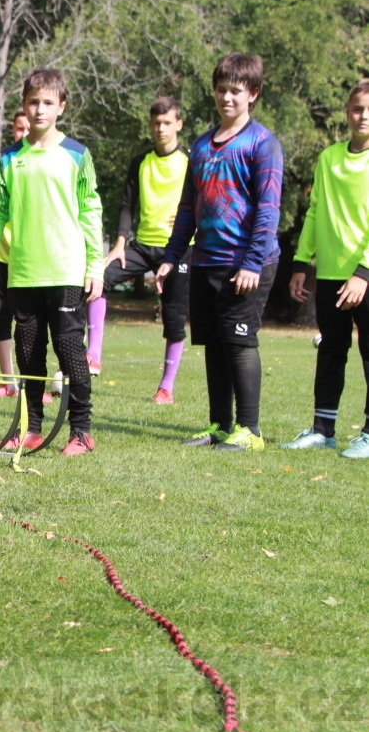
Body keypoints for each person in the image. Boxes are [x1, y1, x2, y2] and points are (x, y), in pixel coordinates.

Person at [0, 70, 104, 456]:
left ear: (61, 106)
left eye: (48, 102)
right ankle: (30, 428)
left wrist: (95, 266)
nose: (39, 109)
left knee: (69, 351)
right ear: (24, 105)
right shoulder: (10, 159)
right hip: (22, 273)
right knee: (29, 353)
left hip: (66, 272)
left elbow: (90, 211)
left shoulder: (77, 155)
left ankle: (81, 430)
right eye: (33, 102)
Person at [157, 53, 283, 451]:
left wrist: (251, 263)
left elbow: (268, 208)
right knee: (213, 343)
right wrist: (171, 256)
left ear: (253, 94)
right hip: (206, 261)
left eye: (236, 90)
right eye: (221, 89)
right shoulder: (200, 146)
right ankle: (220, 425)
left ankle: (251, 431)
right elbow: (188, 209)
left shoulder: (262, 144)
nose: (226, 97)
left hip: (248, 263)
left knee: (240, 343)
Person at [282, 80, 369, 456]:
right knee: (331, 349)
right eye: (356, 108)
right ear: (346, 111)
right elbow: (315, 211)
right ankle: (323, 429)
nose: (362, 116)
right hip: (332, 273)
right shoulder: (329, 158)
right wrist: (302, 261)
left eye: (368, 109)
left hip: (364, 275)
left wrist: (363, 272)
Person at [85, 97, 191, 404]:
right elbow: (127, 205)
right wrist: (120, 241)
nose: (161, 128)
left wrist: (190, 223)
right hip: (142, 245)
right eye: (156, 123)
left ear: (178, 125)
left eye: (167, 123)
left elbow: (204, 202)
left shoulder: (190, 161)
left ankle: (166, 387)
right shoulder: (140, 162)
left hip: (179, 249)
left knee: (174, 317)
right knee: (98, 278)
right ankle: (93, 355)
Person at [0, 111, 54, 403]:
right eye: (17, 128)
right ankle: (8, 381)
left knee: (38, 325)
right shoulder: (7, 163)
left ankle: (37, 384)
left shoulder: (48, 163)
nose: (22, 132)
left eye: (27, 127)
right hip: (2, 255)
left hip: (34, 260)